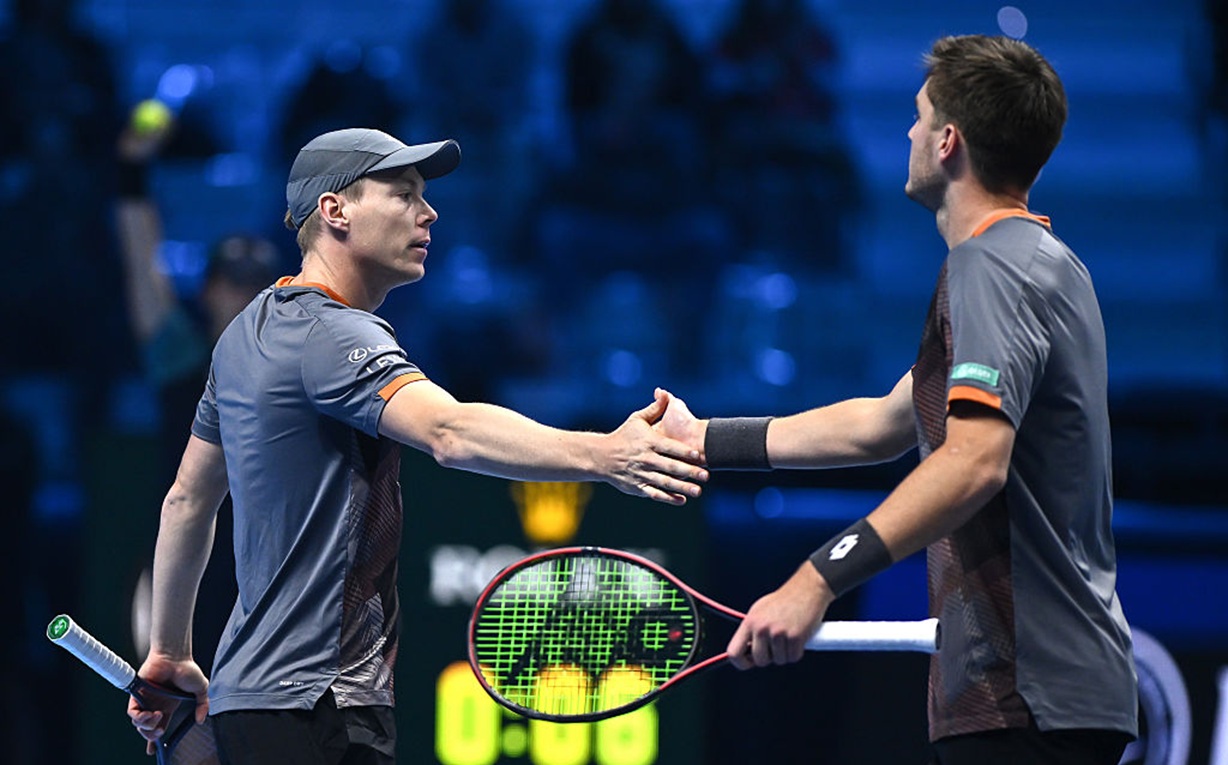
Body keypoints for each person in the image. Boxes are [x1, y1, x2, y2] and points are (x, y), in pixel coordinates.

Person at [124, 127, 708, 764]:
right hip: (321, 706)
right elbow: (448, 432)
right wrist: (606, 455)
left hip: (250, 701)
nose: (428, 213)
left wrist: (169, 653)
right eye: (403, 194)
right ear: (335, 210)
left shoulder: (244, 333)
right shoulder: (334, 334)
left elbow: (186, 502)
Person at [656, 35, 1138, 764]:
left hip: (1027, 699)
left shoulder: (992, 268)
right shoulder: (1042, 264)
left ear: (948, 142)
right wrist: (706, 439)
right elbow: (881, 424)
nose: (909, 133)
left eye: (920, 117)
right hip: (1047, 695)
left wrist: (817, 578)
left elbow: (973, 462)